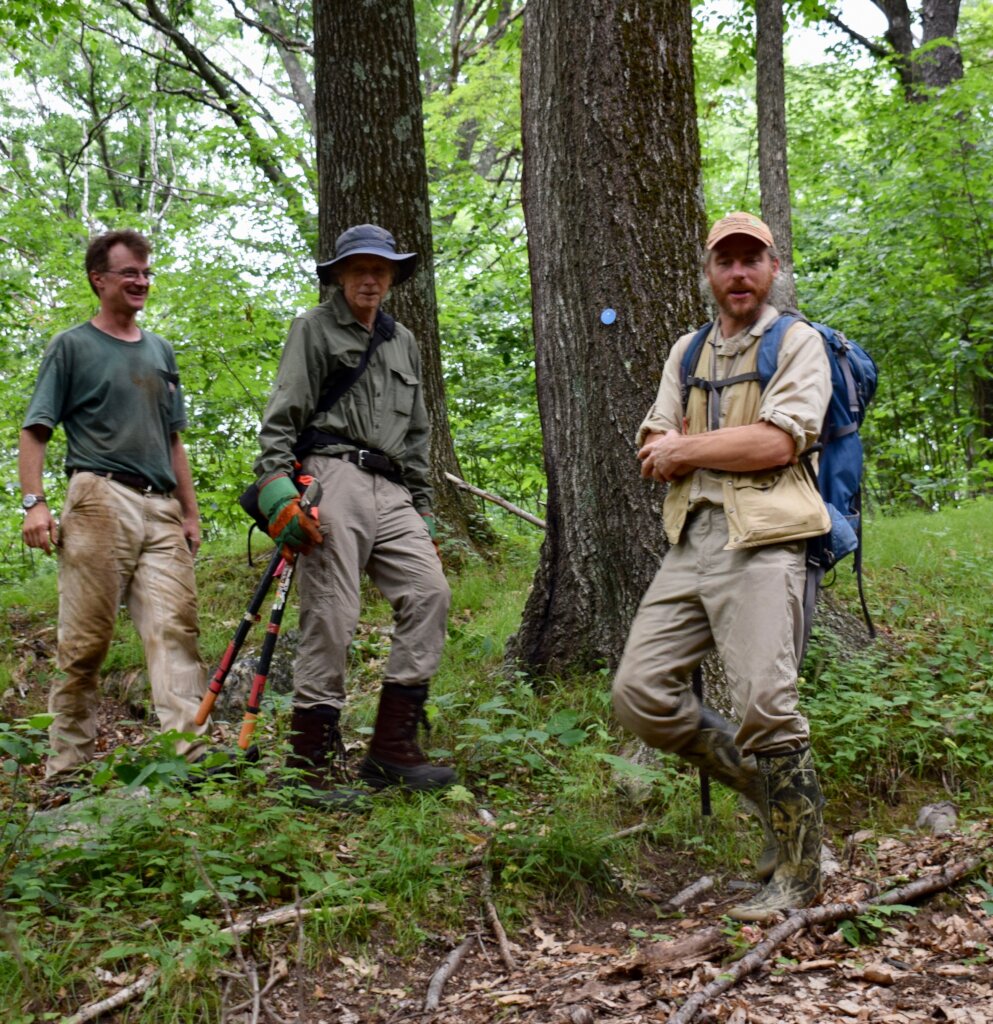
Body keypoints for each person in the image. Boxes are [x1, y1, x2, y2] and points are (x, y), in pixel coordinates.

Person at [611, 212, 833, 921]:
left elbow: (777, 444)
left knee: (766, 703)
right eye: (725, 261)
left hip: (766, 536)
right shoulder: (687, 351)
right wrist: (680, 447)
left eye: (751, 260)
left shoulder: (797, 343)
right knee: (639, 693)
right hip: (692, 537)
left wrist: (688, 448)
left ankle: (799, 874)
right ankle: (771, 798)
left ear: (772, 268)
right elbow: (653, 440)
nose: (739, 273)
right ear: (708, 272)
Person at [254, 223, 454, 806]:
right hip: (331, 472)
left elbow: (417, 433)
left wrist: (423, 509)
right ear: (340, 276)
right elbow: (283, 414)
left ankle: (392, 750)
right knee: (332, 612)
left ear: (392, 278)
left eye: (381, 270)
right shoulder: (313, 328)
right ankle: (308, 768)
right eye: (360, 269)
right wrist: (277, 490)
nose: (370, 279)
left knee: (430, 592)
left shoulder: (403, 341)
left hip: (391, 486)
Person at [20, 228, 211, 787]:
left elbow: (173, 440)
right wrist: (35, 504)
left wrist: (190, 513)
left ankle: (189, 757)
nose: (141, 281)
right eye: (130, 272)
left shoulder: (160, 350)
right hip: (98, 499)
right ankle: (68, 767)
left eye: (147, 272)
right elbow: (35, 430)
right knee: (85, 641)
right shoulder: (71, 346)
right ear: (98, 279)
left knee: (176, 630)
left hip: (161, 507)